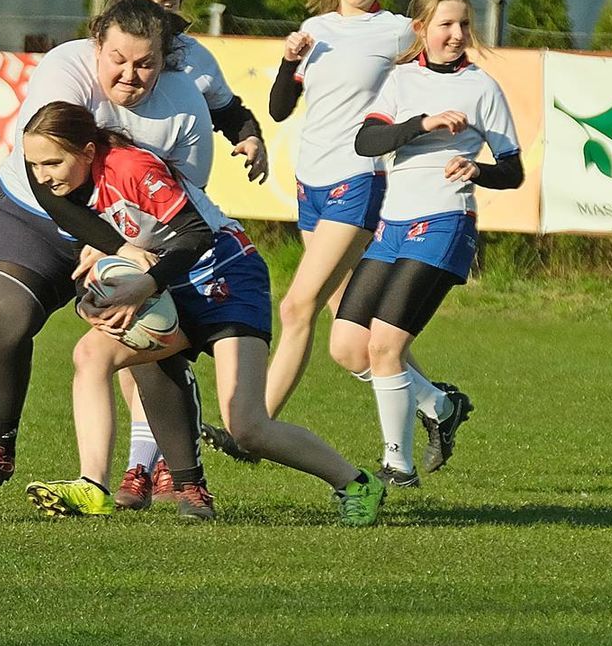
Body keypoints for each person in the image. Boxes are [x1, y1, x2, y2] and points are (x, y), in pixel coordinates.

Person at [22, 101, 388, 526]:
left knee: (247, 427)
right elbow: (91, 257)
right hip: (165, 279)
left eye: (52, 162)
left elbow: (196, 235)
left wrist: (145, 285)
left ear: (87, 152)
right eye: (33, 165)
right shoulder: (60, 187)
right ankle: (92, 486)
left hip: (227, 274)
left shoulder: (131, 168)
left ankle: (356, 482)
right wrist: (92, 299)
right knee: (90, 355)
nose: (42, 175)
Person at [0, 0, 217, 504]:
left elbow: (182, 202)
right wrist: (110, 243)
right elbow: (43, 176)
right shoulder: (66, 70)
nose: (130, 74)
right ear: (98, 44)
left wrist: (130, 253)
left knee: (147, 335)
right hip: (33, 215)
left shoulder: (185, 102)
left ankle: (186, 484)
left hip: (131, 235)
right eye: (118, 59)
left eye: (145, 63)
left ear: (166, 56)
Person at [328, 0, 523, 486]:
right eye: (446, 24)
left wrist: (478, 170)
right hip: (393, 226)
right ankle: (439, 404)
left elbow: (513, 170)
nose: (457, 34)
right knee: (348, 347)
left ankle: (398, 466)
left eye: (463, 25)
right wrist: (422, 123)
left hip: (444, 223)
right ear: (421, 29)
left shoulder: (481, 87)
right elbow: (367, 141)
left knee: (385, 348)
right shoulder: (400, 81)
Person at [105, 0, 269, 508]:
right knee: (135, 336)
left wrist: (249, 134)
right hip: (119, 221)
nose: (160, 17)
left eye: (171, 6)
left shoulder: (192, 59)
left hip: (175, 220)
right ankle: (140, 464)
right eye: (145, 3)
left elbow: (228, 109)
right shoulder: (94, 55)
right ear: (116, 5)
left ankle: (168, 467)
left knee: (152, 336)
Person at [266, 0, 445, 426]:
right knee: (349, 325)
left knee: (297, 306)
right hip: (311, 186)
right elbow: (280, 109)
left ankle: (253, 424)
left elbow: (445, 76)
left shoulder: (398, 31)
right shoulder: (315, 30)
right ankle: (439, 405)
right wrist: (287, 62)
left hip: (360, 180)